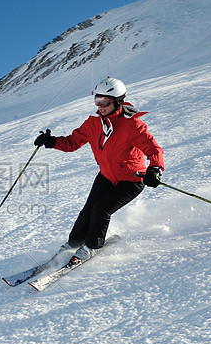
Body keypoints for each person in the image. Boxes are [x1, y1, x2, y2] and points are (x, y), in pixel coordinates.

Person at [34, 77, 164, 262]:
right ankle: (73, 243)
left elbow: (154, 149)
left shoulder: (132, 126)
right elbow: (72, 142)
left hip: (131, 180)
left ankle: (93, 246)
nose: (100, 106)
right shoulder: (93, 124)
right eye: (97, 100)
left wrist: (155, 168)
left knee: (101, 210)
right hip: (106, 176)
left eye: (105, 101)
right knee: (88, 210)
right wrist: (52, 141)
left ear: (118, 101)